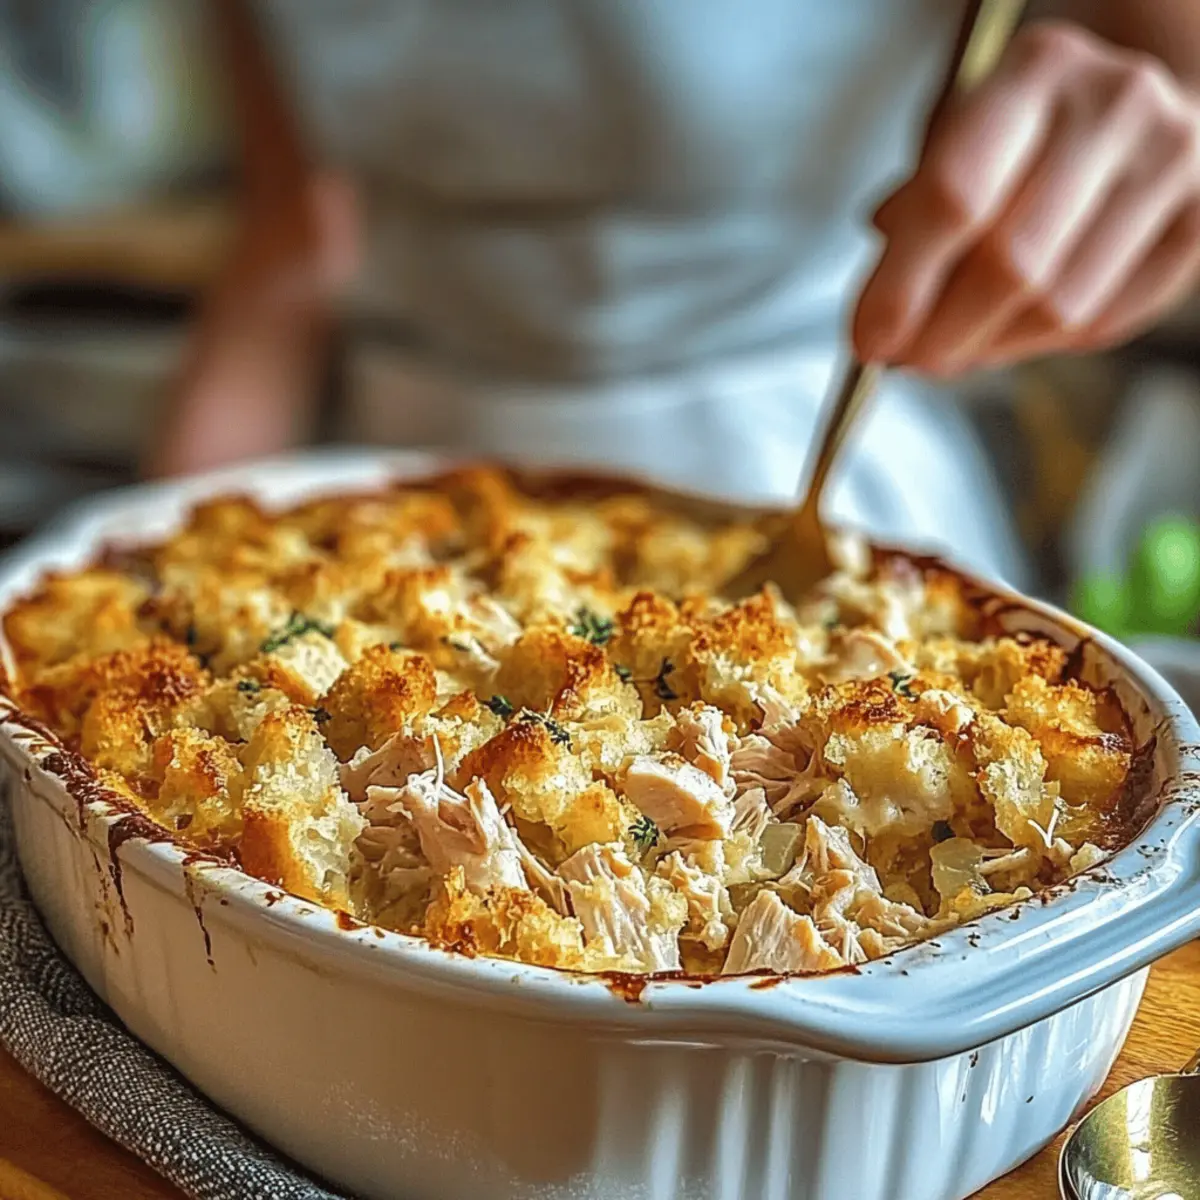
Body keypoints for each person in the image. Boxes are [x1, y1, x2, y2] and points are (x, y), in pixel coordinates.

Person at [151, 1, 1200, 587]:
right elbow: (294, 235)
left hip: (805, 490)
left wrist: (1159, 157)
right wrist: (171, 554)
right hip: (391, 506)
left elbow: (1177, 120)